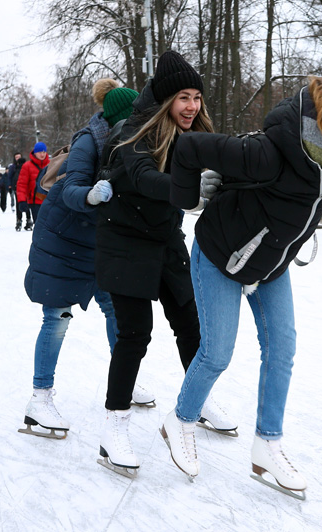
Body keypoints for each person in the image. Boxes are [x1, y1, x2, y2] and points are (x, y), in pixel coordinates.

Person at [160, 76, 322, 496]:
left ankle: (267, 445)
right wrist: (187, 200)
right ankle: (181, 420)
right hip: (221, 254)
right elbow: (188, 148)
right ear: (319, 123)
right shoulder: (267, 154)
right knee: (216, 353)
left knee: (282, 351)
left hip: (270, 265)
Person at [93, 51, 233, 476]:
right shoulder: (134, 133)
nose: (192, 106)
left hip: (166, 238)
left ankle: (197, 398)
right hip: (124, 240)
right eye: (183, 97)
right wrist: (188, 189)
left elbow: (235, 163)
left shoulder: (195, 134)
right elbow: (143, 179)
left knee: (192, 324)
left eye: (197, 97)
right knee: (135, 334)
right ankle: (113, 426)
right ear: (167, 99)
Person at [20, 79, 155, 439]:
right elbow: (74, 185)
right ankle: (40, 399)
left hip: (98, 240)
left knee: (115, 309)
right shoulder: (89, 140)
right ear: (118, 117)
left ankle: (123, 381)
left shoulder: (131, 142)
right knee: (57, 317)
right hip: (63, 238)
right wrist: (91, 196)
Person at [16, 143, 49, 231]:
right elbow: (21, 184)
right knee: (40, 228)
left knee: (50, 228)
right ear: (35, 153)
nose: (42, 154)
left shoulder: (51, 164)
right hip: (36, 202)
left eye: (44, 152)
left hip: (50, 201)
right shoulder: (27, 166)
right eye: (39, 152)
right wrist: (22, 200)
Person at [10, 153, 26, 230]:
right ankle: (19, 220)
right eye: (16, 157)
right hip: (17, 187)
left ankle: (28, 220)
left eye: (19, 157)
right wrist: (10, 186)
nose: (18, 158)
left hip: (24, 188)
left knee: (26, 203)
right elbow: (10, 176)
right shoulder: (13, 167)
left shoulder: (26, 166)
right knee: (18, 204)